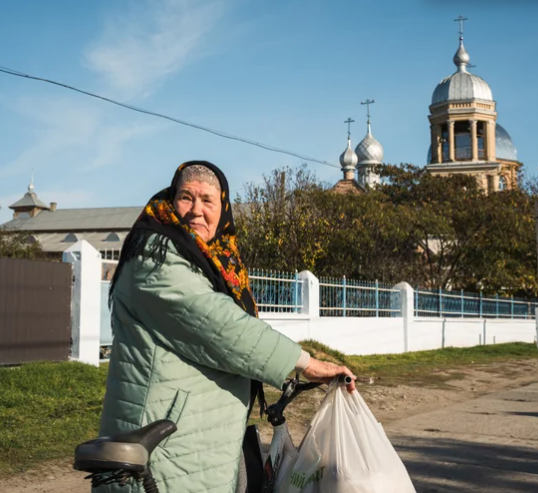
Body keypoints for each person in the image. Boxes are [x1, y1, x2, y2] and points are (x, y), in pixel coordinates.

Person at [98, 161, 356, 493]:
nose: (196, 210)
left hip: (187, 440)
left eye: (208, 200)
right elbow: (221, 326)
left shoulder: (205, 261)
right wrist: (306, 364)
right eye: (186, 197)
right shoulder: (155, 257)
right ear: (169, 201)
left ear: (224, 210)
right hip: (162, 450)